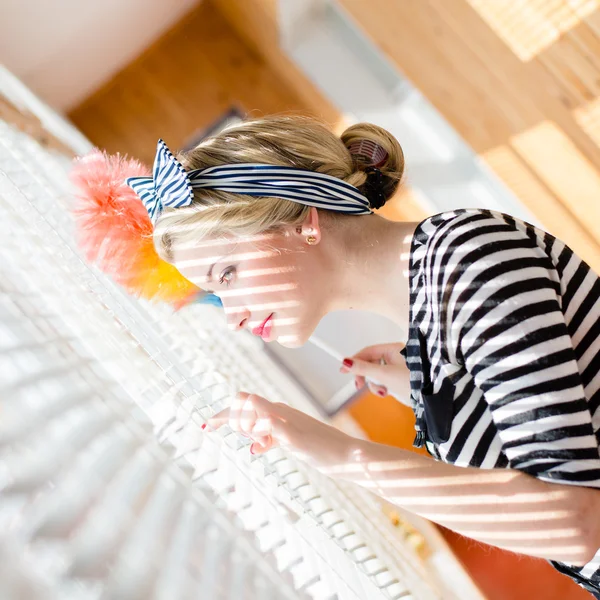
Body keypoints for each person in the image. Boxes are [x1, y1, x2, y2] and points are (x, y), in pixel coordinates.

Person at [75, 115, 600, 597]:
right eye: (216, 294)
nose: (231, 314)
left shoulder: (466, 258)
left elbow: (575, 523)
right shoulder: (430, 313)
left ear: (304, 218)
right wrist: (430, 390)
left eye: (227, 274)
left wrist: (340, 455)